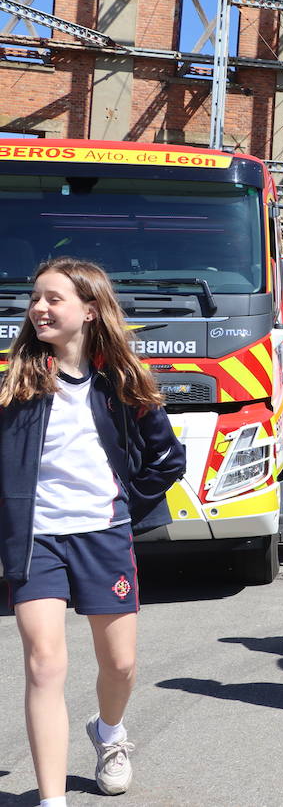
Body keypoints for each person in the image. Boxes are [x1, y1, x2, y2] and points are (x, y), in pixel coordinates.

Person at [1, 257, 187, 804]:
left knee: (120, 664)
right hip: (37, 541)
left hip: (103, 536)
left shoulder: (121, 384)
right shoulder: (17, 386)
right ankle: (52, 798)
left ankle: (109, 733)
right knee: (43, 664)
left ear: (88, 309)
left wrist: (124, 502)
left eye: (53, 298)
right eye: (35, 298)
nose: (39, 307)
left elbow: (166, 458)